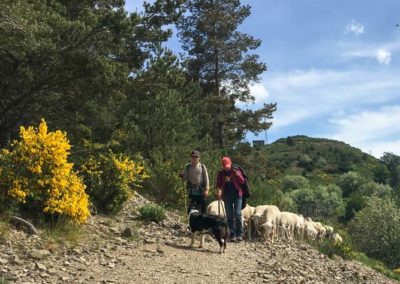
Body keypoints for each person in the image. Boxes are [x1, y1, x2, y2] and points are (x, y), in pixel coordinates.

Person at [216, 156, 245, 242]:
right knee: (229, 215)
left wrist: (238, 175)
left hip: (237, 195)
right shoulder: (221, 174)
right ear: (222, 166)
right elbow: (218, 184)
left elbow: (242, 181)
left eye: (228, 166)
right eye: (225, 166)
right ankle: (232, 234)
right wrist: (218, 192)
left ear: (230, 164)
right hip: (227, 196)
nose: (227, 168)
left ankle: (239, 234)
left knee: (237, 213)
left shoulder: (236, 171)